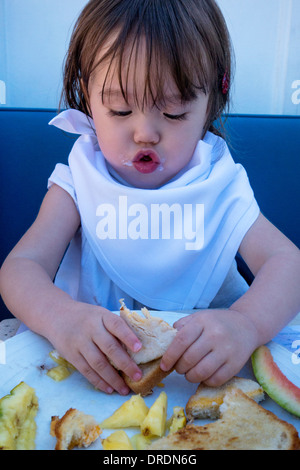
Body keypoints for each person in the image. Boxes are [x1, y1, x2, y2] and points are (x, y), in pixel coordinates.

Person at [0, 0, 299, 396]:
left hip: (206, 384)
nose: (145, 133)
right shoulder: (78, 186)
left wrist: (246, 323)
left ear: (212, 102)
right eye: (120, 110)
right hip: (87, 383)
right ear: (86, 95)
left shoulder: (217, 186)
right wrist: (61, 318)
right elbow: (21, 268)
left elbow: (288, 264)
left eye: (174, 113)